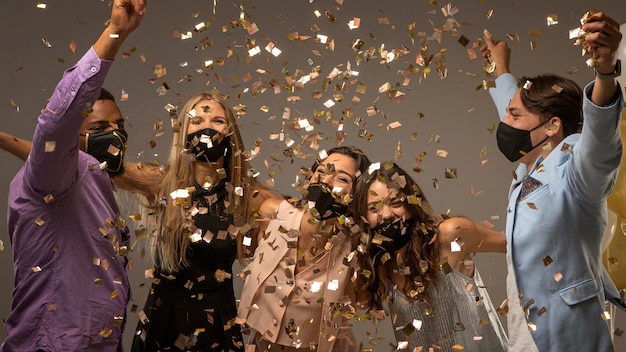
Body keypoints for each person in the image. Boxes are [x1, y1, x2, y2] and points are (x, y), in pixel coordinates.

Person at [2, 1, 146, 351]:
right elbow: (55, 125)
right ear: (74, 135)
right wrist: (116, 33)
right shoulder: (52, 175)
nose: (114, 135)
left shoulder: (94, 178)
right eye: (99, 127)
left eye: (119, 126)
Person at [480, 12, 625, 351]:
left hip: (566, 339)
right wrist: (500, 68)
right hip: (523, 336)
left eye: (514, 116)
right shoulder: (529, 168)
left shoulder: (575, 173)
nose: (505, 122)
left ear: (552, 127)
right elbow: (513, 104)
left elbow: (600, 142)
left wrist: (605, 73)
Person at [129, 91, 274, 351]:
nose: (206, 127)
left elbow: (300, 219)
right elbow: (95, 165)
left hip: (217, 324)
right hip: (163, 321)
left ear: (230, 132)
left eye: (217, 121)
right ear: (183, 133)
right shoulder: (161, 181)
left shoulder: (249, 195)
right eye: (196, 121)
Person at [351, 161, 508, 351]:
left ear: (411, 202)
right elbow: (359, 302)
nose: (386, 215)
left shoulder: (450, 235)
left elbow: (516, 244)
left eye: (395, 203)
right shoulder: (381, 265)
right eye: (374, 208)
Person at [237, 146, 371, 352]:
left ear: (356, 194)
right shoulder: (272, 213)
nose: (326, 181)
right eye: (322, 171)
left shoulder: (357, 248)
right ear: (310, 177)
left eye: (341, 179)